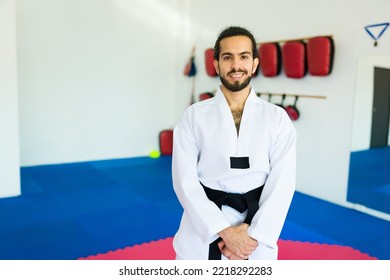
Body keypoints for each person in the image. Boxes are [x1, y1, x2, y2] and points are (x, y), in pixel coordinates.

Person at [171, 26, 296, 260]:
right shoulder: (194, 116)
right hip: (202, 230)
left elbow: (283, 184)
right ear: (217, 64)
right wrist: (225, 232)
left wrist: (252, 236)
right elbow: (184, 181)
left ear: (255, 64)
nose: (236, 65)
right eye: (227, 57)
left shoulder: (277, 118)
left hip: (256, 235)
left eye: (244, 57)